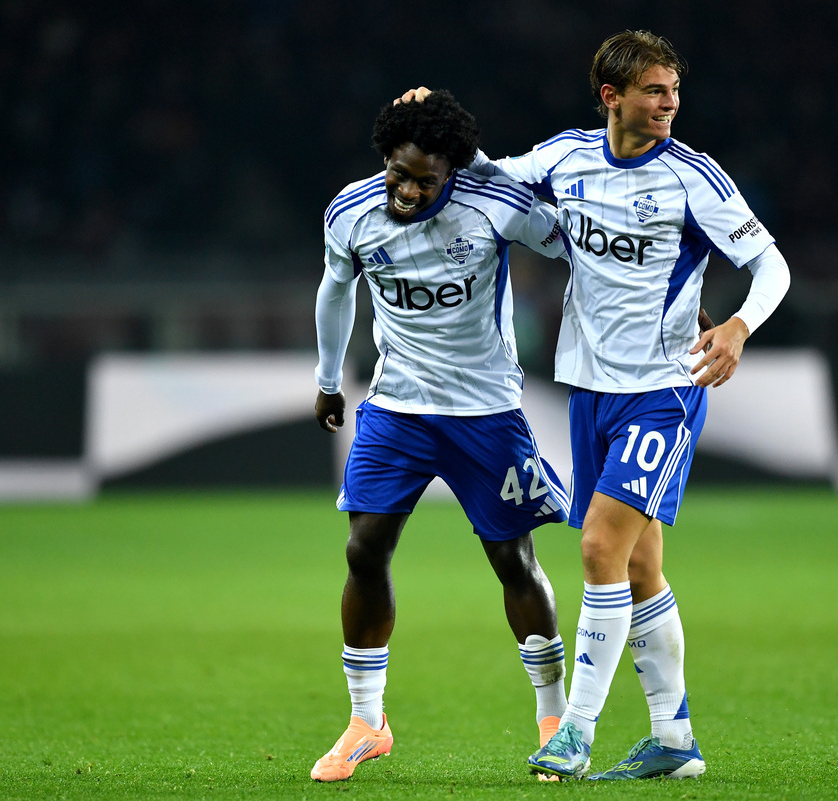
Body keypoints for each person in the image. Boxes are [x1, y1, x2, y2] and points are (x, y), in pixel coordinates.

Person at [400, 29, 791, 781]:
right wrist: (433, 121)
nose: (670, 103)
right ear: (612, 96)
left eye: (675, 90)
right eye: (654, 90)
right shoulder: (567, 157)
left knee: (596, 550)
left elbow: (769, 262)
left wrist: (739, 323)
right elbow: (488, 175)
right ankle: (674, 738)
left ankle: (574, 734)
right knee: (640, 567)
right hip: (592, 391)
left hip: (664, 390)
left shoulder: (693, 177)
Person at [310, 90, 574, 782]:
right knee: (363, 550)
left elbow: (565, 238)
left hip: (486, 411)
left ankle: (555, 721)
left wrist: (481, 164)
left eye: (427, 177)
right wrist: (330, 377)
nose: (410, 188)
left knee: (512, 561)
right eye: (400, 172)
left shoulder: (491, 204)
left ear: (454, 169)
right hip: (396, 409)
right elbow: (335, 288)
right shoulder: (352, 210)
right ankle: (367, 720)